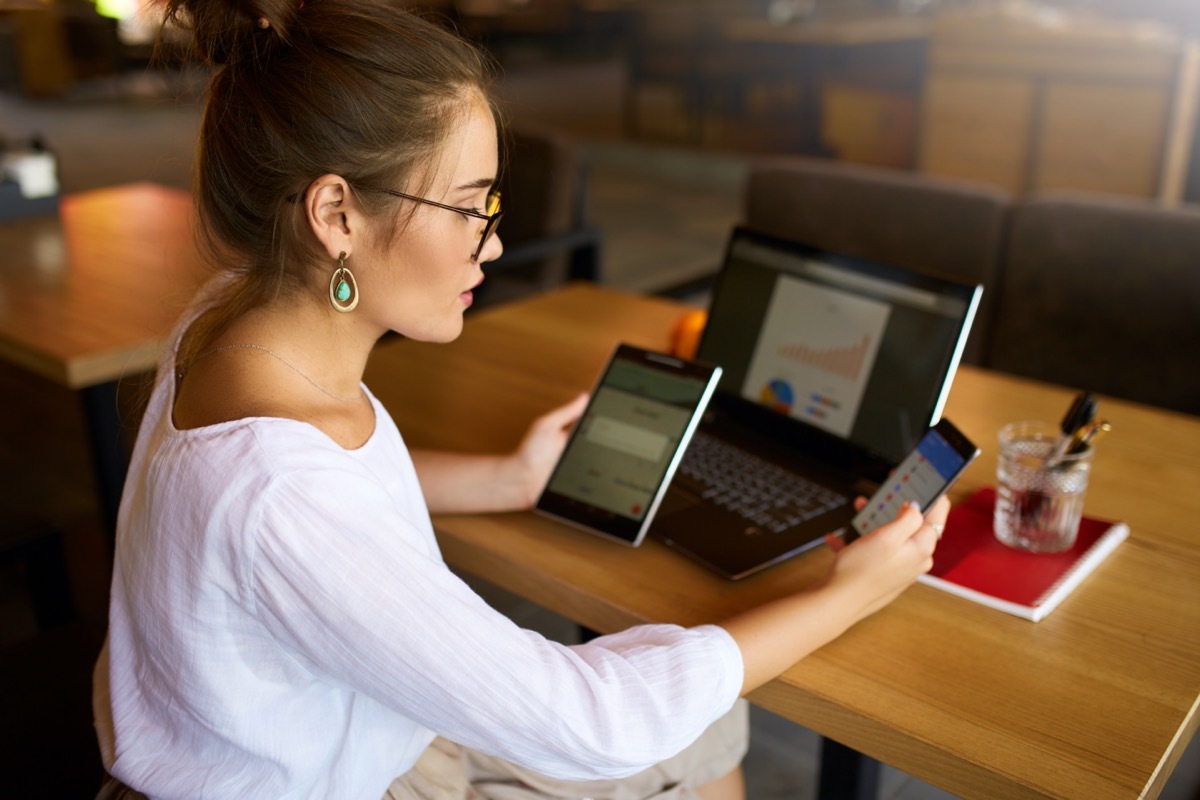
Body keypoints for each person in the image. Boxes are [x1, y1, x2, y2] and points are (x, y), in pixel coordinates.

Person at [92, 1, 948, 798]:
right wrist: (852, 593)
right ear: (335, 213)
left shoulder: (232, 316)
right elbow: (591, 719)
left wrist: (509, 477)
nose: (494, 241)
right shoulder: (282, 496)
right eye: (469, 207)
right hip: (337, 778)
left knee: (701, 708)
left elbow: (314, 500)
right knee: (692, 714)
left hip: (306, 729)